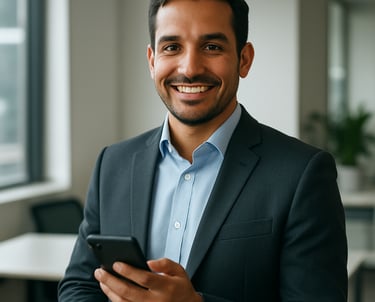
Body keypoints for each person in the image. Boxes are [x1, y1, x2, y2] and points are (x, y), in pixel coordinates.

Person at [58, 0, 348, 301]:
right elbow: (79, 286)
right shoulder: (113, 164)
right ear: (152, 60)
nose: (190, 69)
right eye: (172, 47)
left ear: (244, 59)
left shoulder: (302, 174)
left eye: (211, 46)